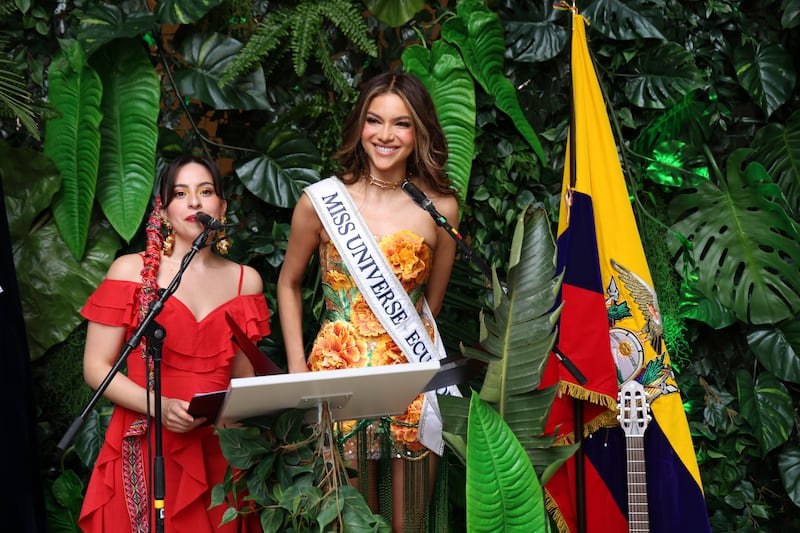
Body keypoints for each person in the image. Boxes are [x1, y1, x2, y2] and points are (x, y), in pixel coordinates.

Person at [277, 71, 459, 532]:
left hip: (410, 384)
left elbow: (429, 308)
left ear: (419, 132)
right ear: (360, 125)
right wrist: (299, 368)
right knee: (347, 523)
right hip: (338, 381)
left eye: (400, 124)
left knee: (411, 522)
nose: (384, 135)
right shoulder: (320, 202)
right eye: (374, 120)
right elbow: (288, 282)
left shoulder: (440, 208)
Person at [78, 154, 270, 532]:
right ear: (163, 212)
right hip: (145, 441)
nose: (195, 202)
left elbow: (242, 381)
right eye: (181, 193)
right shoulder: (130, 271)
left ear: (223, 207)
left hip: (216, 449)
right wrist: (161, 407)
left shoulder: (246, 281)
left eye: (206, 191)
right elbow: (96, 368)